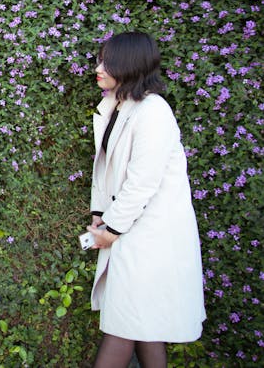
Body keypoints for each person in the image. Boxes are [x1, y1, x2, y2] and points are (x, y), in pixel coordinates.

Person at [85, 31, 206, 367]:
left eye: (107, 61)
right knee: (143, 325)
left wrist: (112, 229)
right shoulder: (118, 106)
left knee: (126, 324)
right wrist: (100, 214)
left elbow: (141, 183)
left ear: (131, 64)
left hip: (151, 238)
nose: (98, 67)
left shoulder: (153, 112)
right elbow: (106, 168)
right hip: (132, 234)